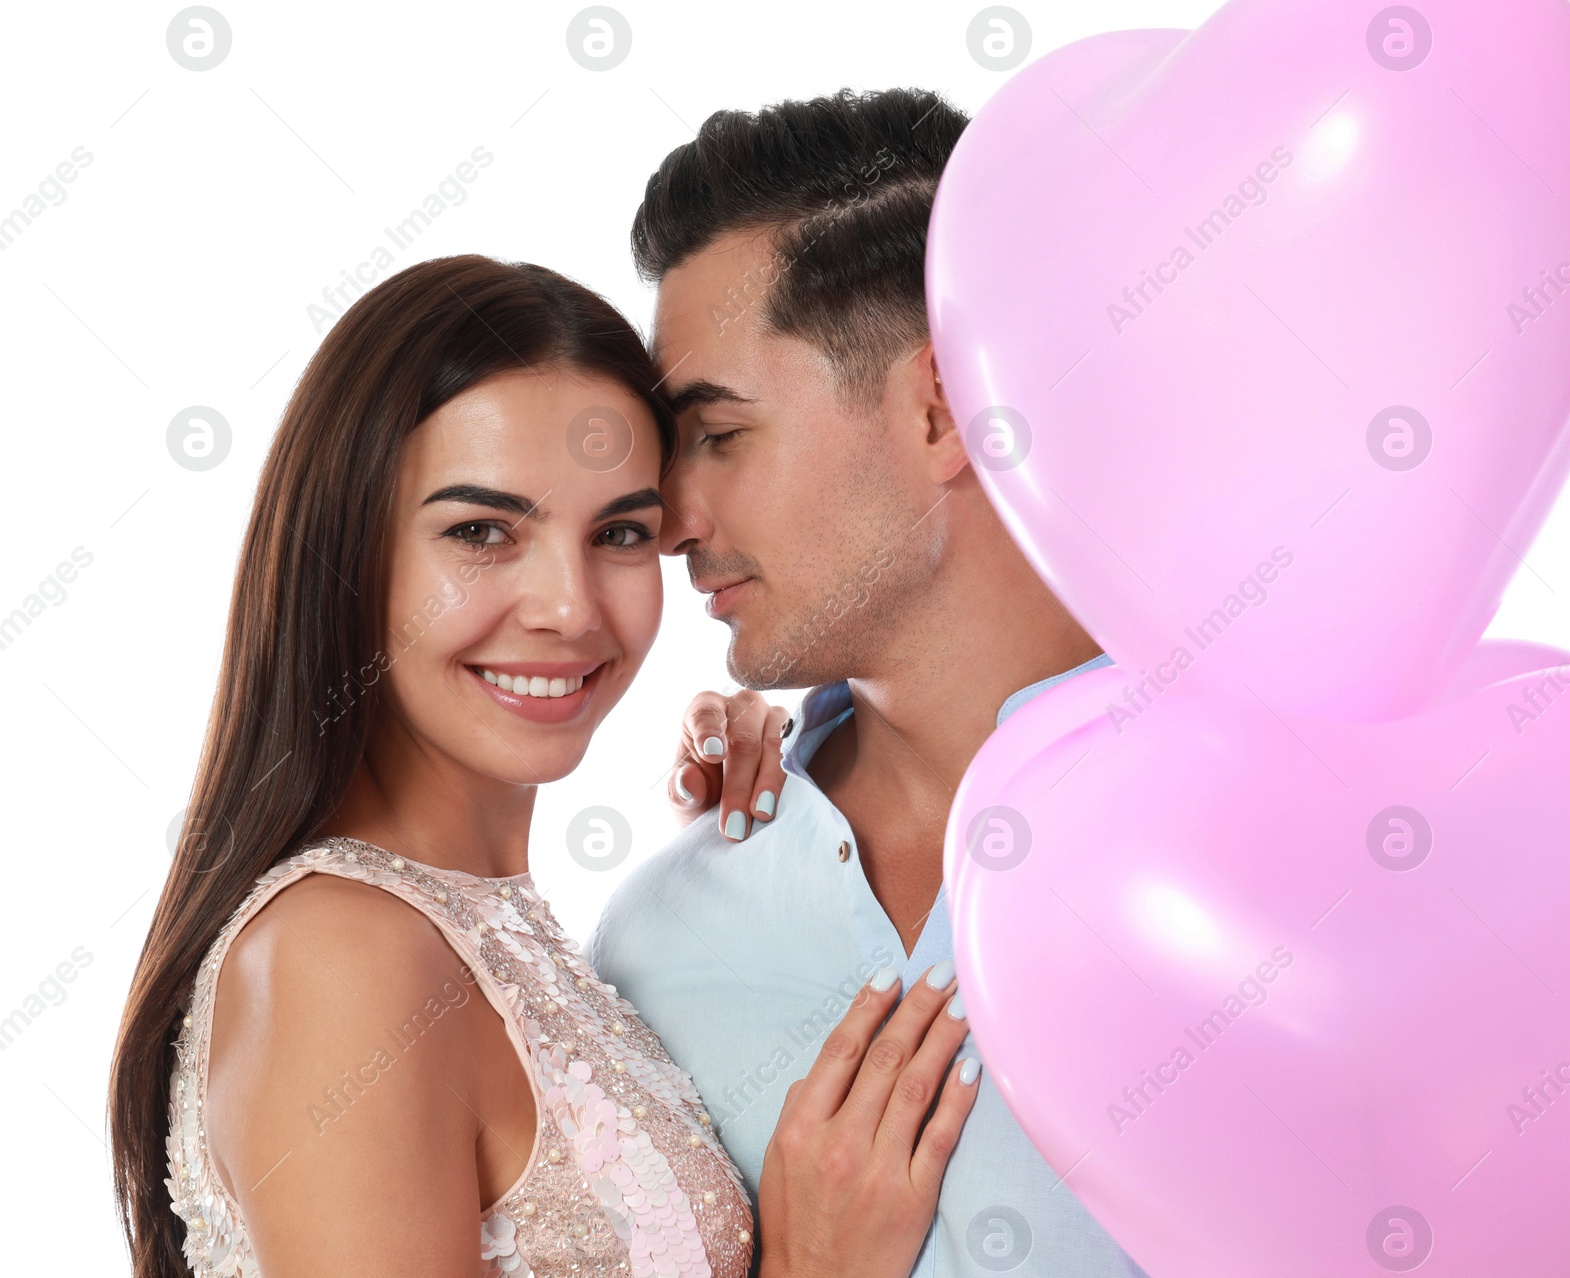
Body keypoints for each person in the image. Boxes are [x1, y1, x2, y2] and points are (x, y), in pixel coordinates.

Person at [106, 255, 981, 1278]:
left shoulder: (474, 923)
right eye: (482, 532)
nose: (570, 607)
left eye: (618, 534)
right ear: (345, 550)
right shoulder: (343, 957)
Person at [589, 89, 1149, 1276]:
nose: (673, 519)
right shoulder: (650, 951)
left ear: (944, 412)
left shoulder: (1283, 838)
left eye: (720, 434)